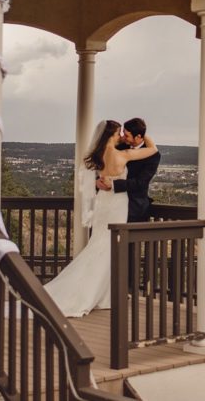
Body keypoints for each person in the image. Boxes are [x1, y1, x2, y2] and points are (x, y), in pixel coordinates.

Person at [44, 119, 158, 317]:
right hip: (117, 205)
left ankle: (105, 293)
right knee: (106, 248)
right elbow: (153, 149)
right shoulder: (123, 153)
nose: (122, 136)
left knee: (102, 247)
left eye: (126, 134)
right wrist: (145, 135)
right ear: (112, 136)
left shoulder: (101, 153)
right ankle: (93, 294)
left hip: (105, 204)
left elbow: (141, 180)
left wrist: (108, 183)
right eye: (120, 133)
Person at [96, 117, 161, 223]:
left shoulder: (153, 156)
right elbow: (106, 168)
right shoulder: (119, 148)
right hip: (110, 204)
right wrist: (98, 181)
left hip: (134, 208)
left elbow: (140, 183)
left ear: (138, 136)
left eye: (126, 135)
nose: (123, 138)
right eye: (122, 133)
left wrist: (113, 184)